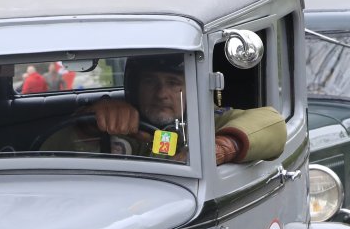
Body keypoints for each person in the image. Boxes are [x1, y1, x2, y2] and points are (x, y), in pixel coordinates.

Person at [85, 54, 285, 165]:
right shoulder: (119, 125)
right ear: (134, 86)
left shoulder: (211, 122)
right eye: (150, 81)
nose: (161, 93)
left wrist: (221, 147)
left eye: (173, 83)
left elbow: (273, 124)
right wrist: (90, 125)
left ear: (194, 88)